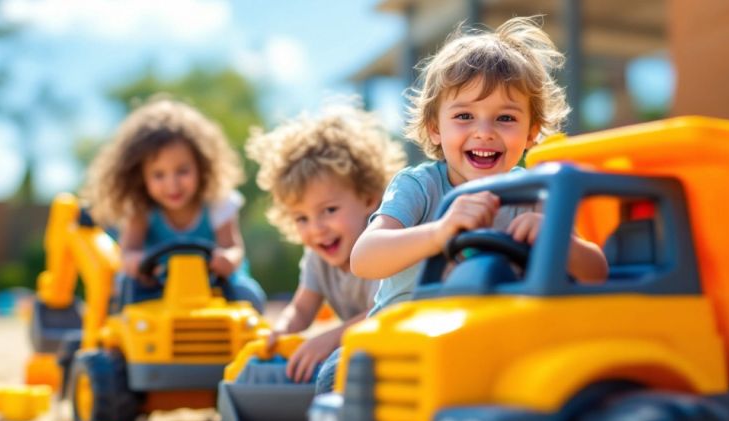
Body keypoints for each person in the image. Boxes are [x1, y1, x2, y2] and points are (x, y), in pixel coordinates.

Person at [352, 16, 609, 314]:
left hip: (488, 337)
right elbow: (364, 259)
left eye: (505, 118)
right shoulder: (419, 186)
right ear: (435, 127)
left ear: (531, 132)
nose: (485, 132)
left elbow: (597, 274)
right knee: (340, 362)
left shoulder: (534, 195)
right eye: (464, 116)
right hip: (404, 339)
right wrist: (439, 232)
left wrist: (556, 237)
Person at [249, 104, 405, 393]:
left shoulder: (381, 249)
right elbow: (301, 308)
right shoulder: (316, 259)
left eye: (329, 210)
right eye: (302, 218)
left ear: (369, 198)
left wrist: (331, 338)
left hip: (398, 348)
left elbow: (383, 314)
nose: (316, 228)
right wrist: (280, 330)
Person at [83, 97, 265, 312]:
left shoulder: (217, 203)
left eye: (182, 171)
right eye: (158, 175)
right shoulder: (141, 210)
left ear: (202, 166)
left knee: (248, 295)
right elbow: (128, 251)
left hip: (214, 283)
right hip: (158, 284)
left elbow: (233, 247)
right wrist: (135, 262)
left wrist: (227, 259)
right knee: (125, 289)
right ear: (141, 177)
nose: (172, 185)